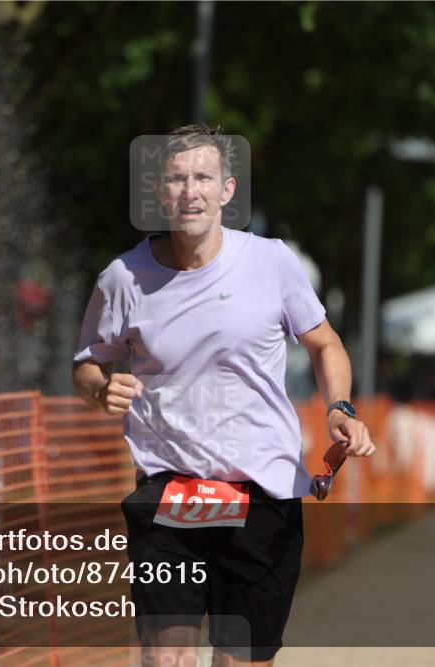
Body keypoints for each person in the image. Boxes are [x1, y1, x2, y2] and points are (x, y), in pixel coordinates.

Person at [72, 124, 375, 666]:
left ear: (227, 190)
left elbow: (326, 346)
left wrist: (339, 408)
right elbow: (88, 365)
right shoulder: (124, 278)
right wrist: (100, 390)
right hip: (170, 493)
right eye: (177, 178)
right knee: (167, 659)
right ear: (160, 192)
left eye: (203, 177)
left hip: (262, 495)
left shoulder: (272, 263)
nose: (191, 190)